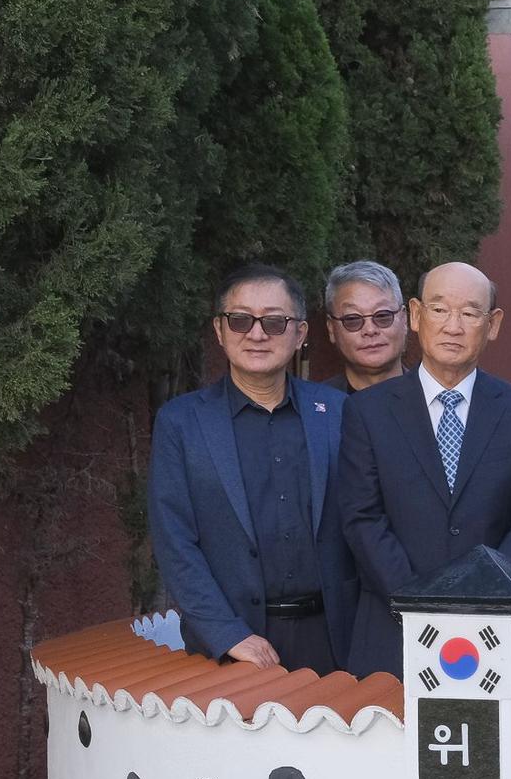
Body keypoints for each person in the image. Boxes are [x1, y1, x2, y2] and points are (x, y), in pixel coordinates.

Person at [338, 262, 511, 678]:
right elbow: (362, 518)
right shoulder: (367, 411)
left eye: (470, 313)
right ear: (416, 316)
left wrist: (484, 597)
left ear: (492, 324)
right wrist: (420, 603)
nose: (453, 326)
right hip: (393, 628)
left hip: (495, 634)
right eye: (440, 310)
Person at [149, 265, 356, 676]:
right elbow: (174, 542)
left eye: (275, 322)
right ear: (219, 330)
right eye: (240, 320)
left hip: (336, 640)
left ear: (299, 334)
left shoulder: (337, 413)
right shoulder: (181, 423)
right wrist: (226, 634)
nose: (257, 334)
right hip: (232, 647)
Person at [320, 261, 410, 393]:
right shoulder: (316, 408)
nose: (370, 330)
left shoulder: (435, 401)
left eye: (382, 316)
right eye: (352, 319)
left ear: (404, 320)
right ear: (331, 329)